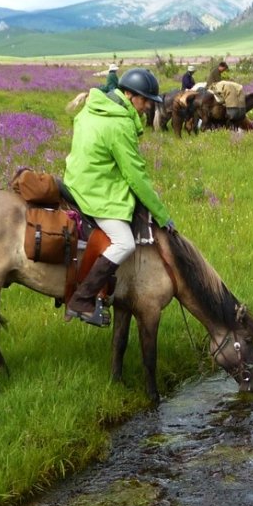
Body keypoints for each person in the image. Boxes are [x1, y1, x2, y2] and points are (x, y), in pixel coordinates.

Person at [63, 68, 175, 326]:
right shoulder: (119, 124)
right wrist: (161, 214)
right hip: (95, 188)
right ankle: (82, 298)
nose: (147, 106)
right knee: (124, 242)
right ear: (128, 95)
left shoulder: (94, 107)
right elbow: (136, 175)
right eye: (144, 100)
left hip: (78, 178)